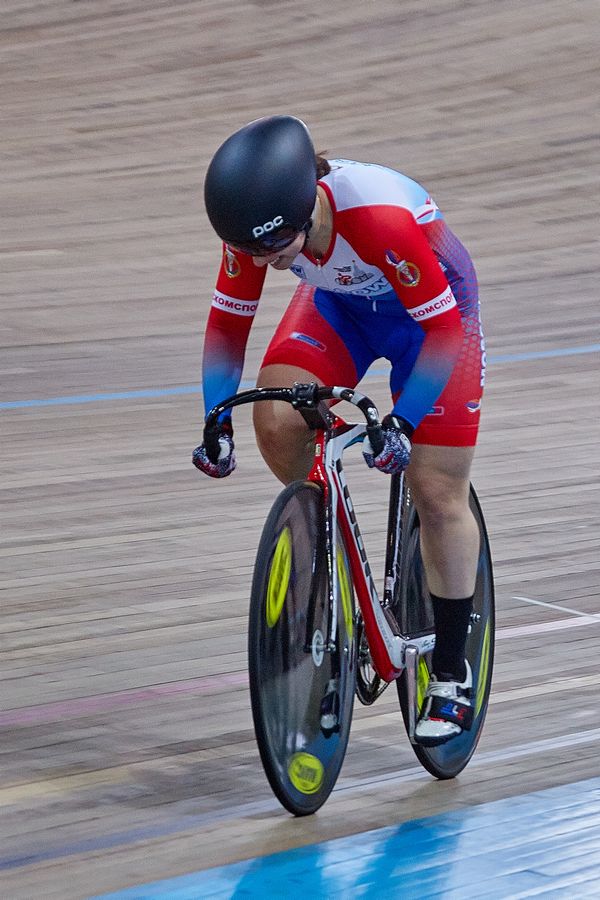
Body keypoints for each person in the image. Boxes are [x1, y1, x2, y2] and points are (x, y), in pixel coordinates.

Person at [193, 115, 485, 746]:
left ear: (307, 207)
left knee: (437, 491)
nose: (263, 263)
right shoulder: (257, 229)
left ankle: (452, 670)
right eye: (250, 250)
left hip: (432, 320)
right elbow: (228, 326)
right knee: (277, 418)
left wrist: (402, 422)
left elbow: (443, 330)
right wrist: (217, 417)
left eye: (276, 248)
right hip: (342, 308)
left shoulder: (377, 218)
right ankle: (337, 576)